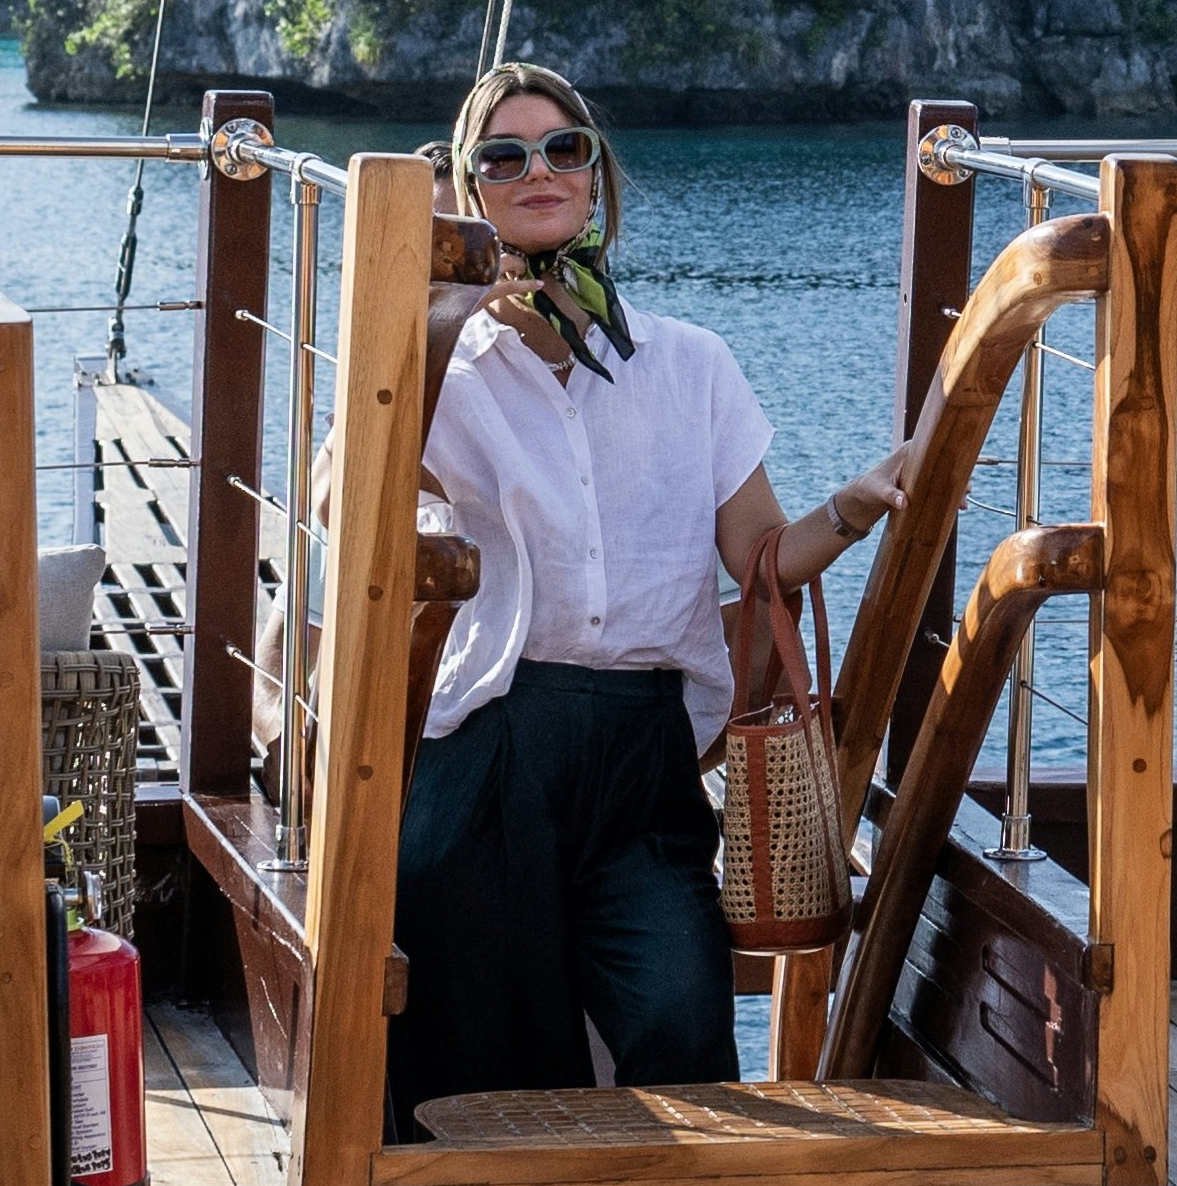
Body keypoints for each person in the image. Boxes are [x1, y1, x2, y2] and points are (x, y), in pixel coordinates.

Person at [379, 64, 915, 1130]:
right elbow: (343, 498)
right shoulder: (442, 369)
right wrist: (440, 317)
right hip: (492, 740)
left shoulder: (689, 364)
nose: (540, 170)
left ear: (597, 175)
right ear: (467, 189)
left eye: (563, 147)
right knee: (477, 1057)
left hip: (645, 751)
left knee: (679, 1016)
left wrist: (852, 508)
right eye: (504, 155)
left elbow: (760, 555)